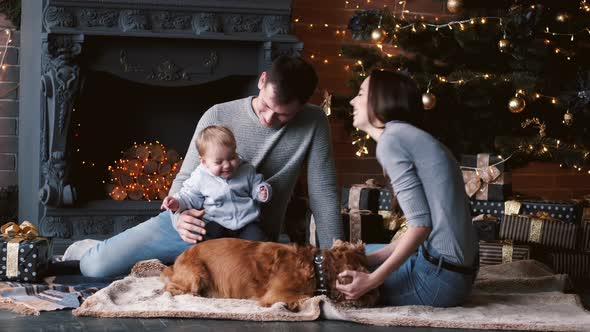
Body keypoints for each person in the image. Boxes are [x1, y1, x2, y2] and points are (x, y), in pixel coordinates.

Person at [78, 55, 343, 278]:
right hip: (195, 227)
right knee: (94, 266)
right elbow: (184, 178)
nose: (268, 119)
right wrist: (178, 218)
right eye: (265, 107)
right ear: (262, 81)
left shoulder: (313, 122)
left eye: (282, 115)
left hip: (250, 238)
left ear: (302, 106)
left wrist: (336, 258)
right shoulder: (219, 114)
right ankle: (92, 248)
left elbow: (324, 192)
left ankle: (178, 264)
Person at [336, 70, 478, 307]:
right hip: (455, 271)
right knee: (363, 253)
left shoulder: (392, 141)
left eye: (360, 93)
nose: (352, 101)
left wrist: (370, 281)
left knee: (336, 286)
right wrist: (368, 260)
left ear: (381, 99)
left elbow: (420, 226)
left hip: (439, 280)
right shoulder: (407, 135)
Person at [160, 125, 271, 241]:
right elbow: (189, 196)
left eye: (232, 157)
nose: (227, 165)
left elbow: (256, 185)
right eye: (219, 162)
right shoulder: (200, 176)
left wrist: (261, 191)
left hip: (246, 221)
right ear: (204, 162)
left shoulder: (246, 170)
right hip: (216, 221)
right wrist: (176, 202)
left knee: (258, 240)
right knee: (204, 234)